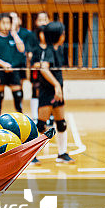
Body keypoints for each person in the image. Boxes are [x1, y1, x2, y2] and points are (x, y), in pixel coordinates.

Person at [36, 21, 74, 164]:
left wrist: (59, 87)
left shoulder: (58, 49)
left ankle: (62, 154)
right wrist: (56, 85)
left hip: (57, 92)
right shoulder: (49, 50)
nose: (64, 35)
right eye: (63, 32)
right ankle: (31, 156)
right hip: (48, 92)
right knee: (41, 125)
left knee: (61, 123)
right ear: (58, 35)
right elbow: (43, 68)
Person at [0, 14, 25, 119]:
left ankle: (21, 117)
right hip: (0, 70)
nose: (6, 25)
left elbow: (21, 49)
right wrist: (3, 64)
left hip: (13, 70)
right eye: (3, 23)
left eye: (8, 22)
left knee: (18, 94)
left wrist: (14, 33)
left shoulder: (14, 37)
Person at [10, 12, 38, 117]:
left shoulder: (26, 33)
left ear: (20, 20)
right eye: (10, 19)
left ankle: (19, 112)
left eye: (14, 18)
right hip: (7, 65)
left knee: (19, 89)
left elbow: (25, 50)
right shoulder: (4, 33)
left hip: (20, 64)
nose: (12, 21)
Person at [29, 11, 50, 120]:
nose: (42, 22)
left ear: (48, 21)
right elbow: (30, 53)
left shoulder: (51, 35)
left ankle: (49, 115)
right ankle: (35, 115)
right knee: (36, 89)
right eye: (40, 20)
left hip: (49, 69)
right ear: (36, 22)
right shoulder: (33, 36)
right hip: (37, 69)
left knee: (49, 91)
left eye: (44, 19)